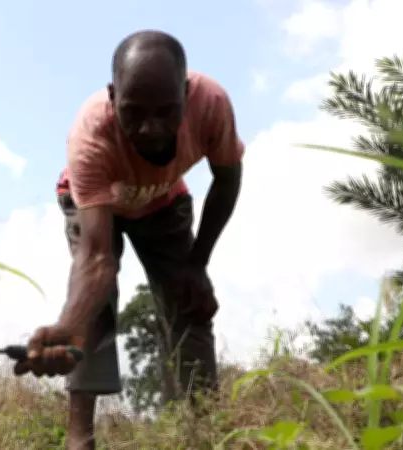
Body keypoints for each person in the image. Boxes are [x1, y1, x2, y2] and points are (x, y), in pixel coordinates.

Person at [13, 29, 244, 450]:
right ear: (112, 94)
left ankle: (199, 426)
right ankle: (79, 436)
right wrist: (68, 327)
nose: (150, 129)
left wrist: (197, 265)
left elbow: (227, 180)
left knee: (189, 300)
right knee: (94, 305)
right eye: (133, 112)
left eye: (165, 112)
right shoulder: (90, 134)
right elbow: (97, 259)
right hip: (94, 206)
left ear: (186, 94)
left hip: (162, 199)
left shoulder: (211, 103)